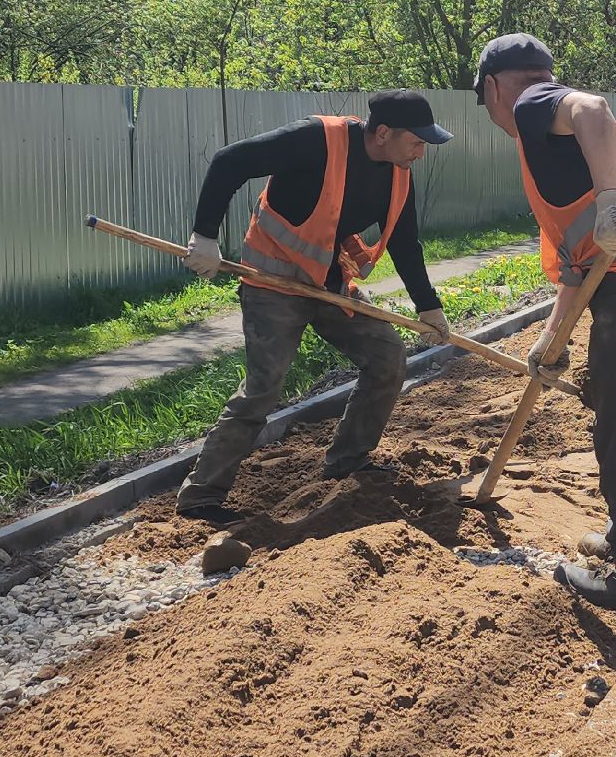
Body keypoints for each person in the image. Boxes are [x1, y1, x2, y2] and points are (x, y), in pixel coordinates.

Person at [473, 33, 616, 616]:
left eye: (485, 101)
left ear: (494, 87)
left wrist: (609, 201)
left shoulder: (534, 105)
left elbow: (592, 107)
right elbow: (578, 270)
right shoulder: (563, 150)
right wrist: (552, 342)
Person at [173, 90, 455, 524]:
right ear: (383, 133)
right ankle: (200, 496)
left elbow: (403, 241)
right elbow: (230, 161)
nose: (422, 152)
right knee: (264, 388)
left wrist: (428, 307)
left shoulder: (398, 173)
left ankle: (348, 459)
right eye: (417, 142)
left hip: (328, 284)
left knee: (387, 357)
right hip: (274, 284)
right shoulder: (315, 139)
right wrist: (205, 236)